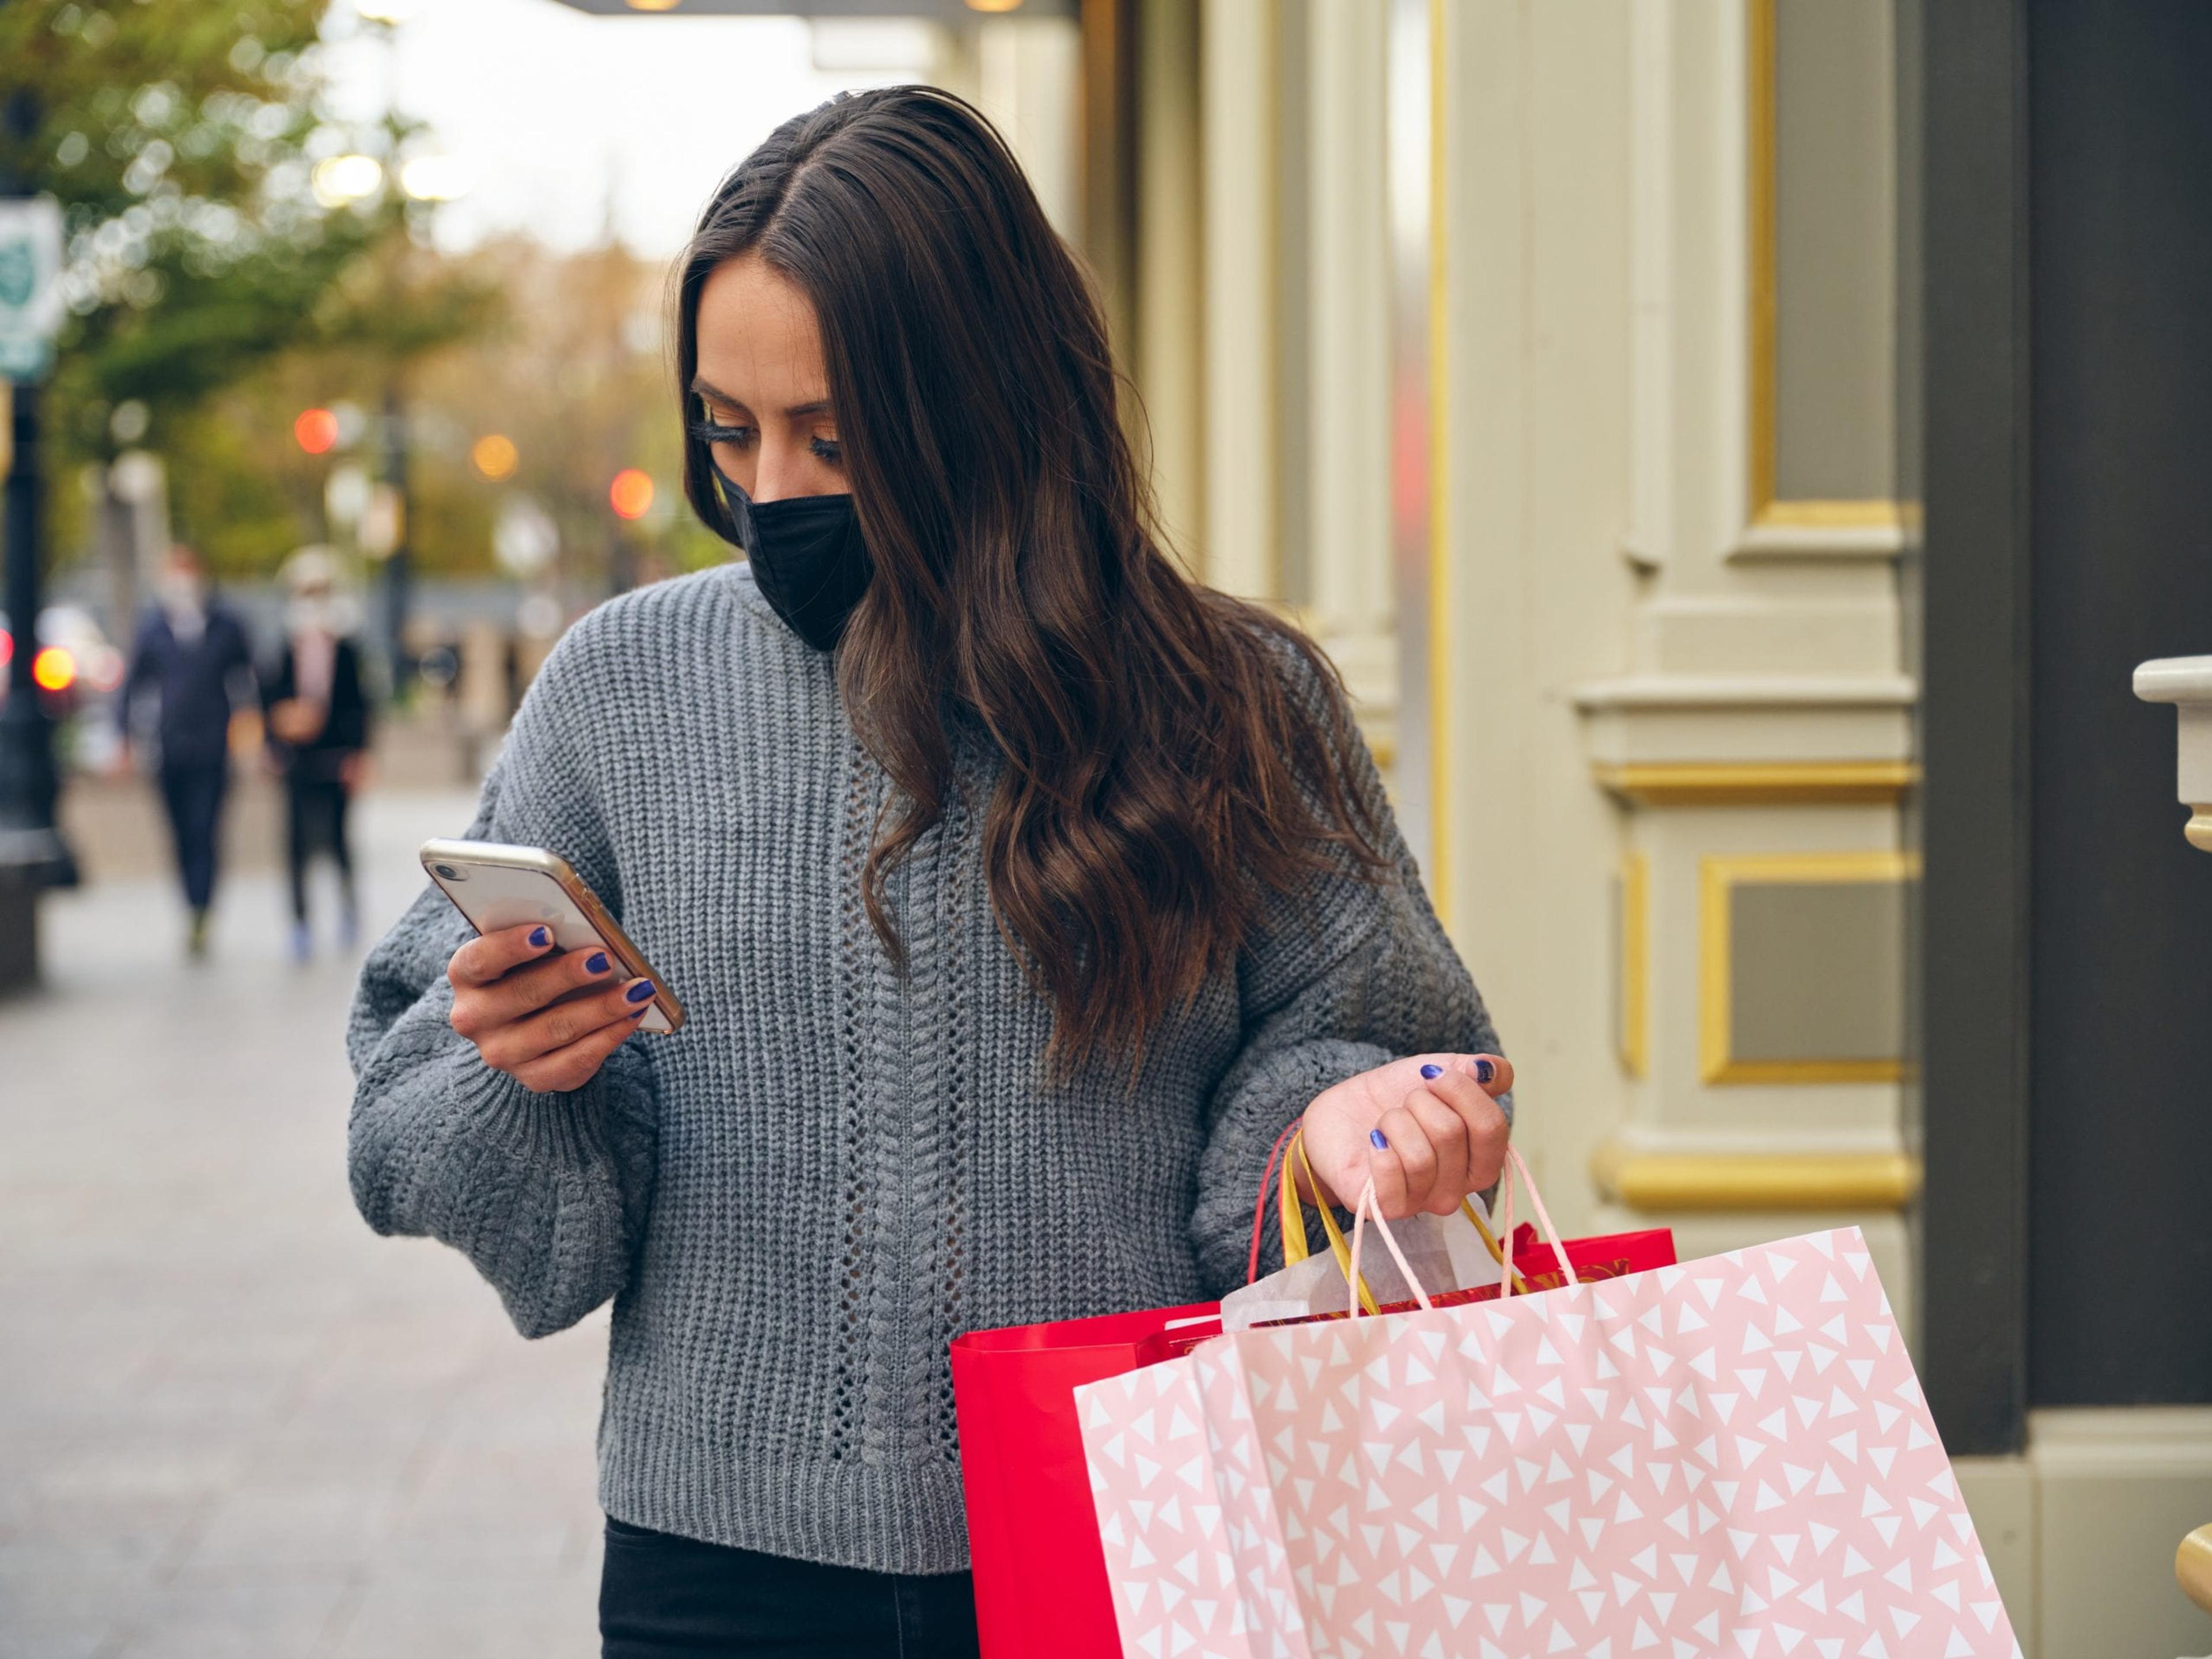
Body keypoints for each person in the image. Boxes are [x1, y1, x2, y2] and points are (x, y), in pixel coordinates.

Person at [347, 89, 1513, 1659]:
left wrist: (1338, 1124)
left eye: (836, 440)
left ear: (983, 404)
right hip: (715, 1570)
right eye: (728, 428)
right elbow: (401, 1101)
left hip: (1145, 1520)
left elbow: (1361, 1027)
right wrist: (516, 1068)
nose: (771, 493)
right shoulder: (620, 687)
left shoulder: (1235, 697)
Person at [119, 544, 256, 956]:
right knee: (179, 831)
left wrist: (257, 737)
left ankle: (202, 908)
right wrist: (122, 736)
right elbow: (132, 685)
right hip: (169, 747)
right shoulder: (153, 626)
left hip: (213, 747)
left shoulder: (227, 624)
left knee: (205, 829)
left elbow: (249, 683)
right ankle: (190, 902)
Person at [264, 547, 370, 962]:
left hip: (335, 756)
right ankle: (300, 922)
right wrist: (279, 734)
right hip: (297, 760)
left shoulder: (346, 651)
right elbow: (269, 700)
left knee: (340, 840)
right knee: (294, 843)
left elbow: (360, 705)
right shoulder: (283, 650)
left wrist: (358, 754)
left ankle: (347, 908)